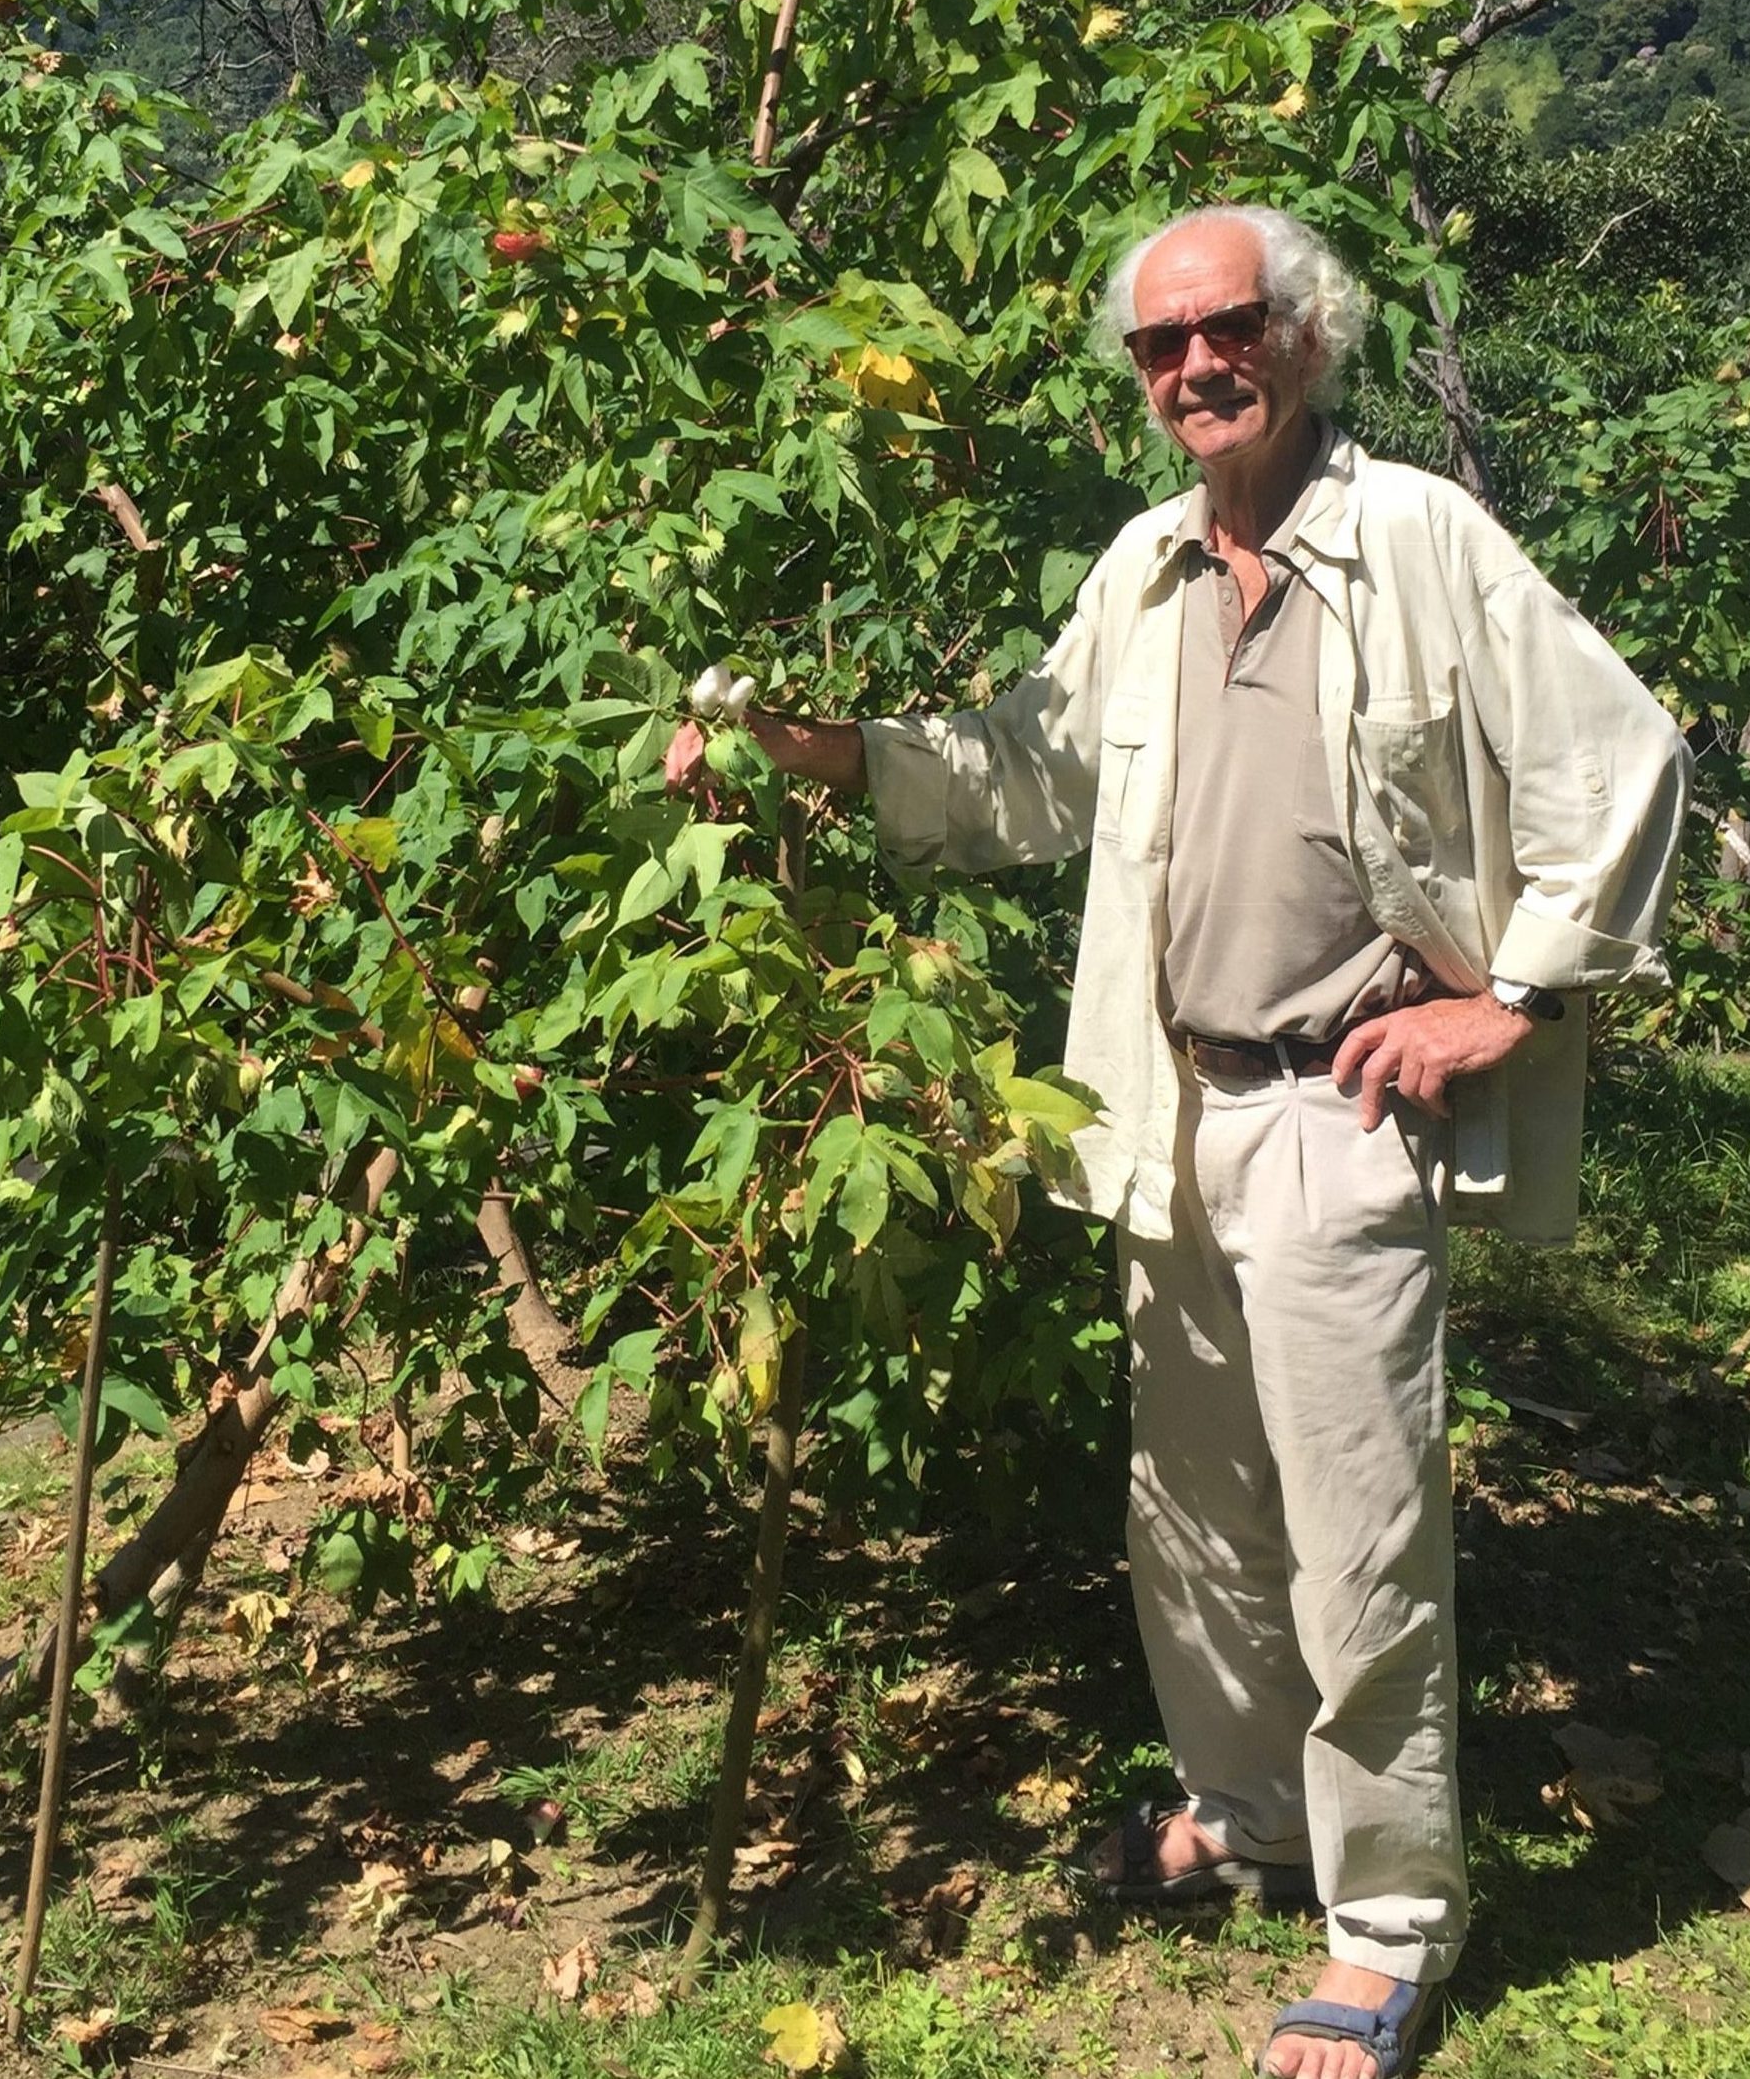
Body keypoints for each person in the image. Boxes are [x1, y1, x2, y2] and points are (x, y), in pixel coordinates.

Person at [668, 204, 1691, 2079]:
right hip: (1171, 1100)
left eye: (1226, 328)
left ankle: (1387, 1929)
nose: (1194, 366)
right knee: (1195, 1514)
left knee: (1357, 1533)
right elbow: (1016, 773)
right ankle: (1251, 1808)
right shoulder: (1140, 568)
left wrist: (1518, 999)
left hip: (1342, 1108)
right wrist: (797, 746)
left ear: (1303, 337)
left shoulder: (1416, 544)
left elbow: (1619, 761)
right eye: (1161, 345)